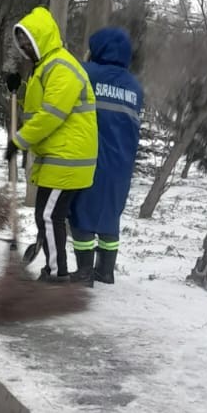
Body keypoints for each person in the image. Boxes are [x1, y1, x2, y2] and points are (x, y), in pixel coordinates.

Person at [4, 6, 97, 281]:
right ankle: (55, 269)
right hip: (56, 156)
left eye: (28, 41)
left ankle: (57, 275)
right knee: (44, 216)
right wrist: (19, 90)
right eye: (21, 42)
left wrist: (19, 140)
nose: (24, 47)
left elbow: (51, 114)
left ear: (41, 38)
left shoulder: (62, 67)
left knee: (49, 216)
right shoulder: (45, 68)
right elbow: (37, 107)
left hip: (67, 158)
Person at [69, 26, 143, 285]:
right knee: (111, 215)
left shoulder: (87, 73)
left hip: (92, 158)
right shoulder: (134, 85)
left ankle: (84, 272)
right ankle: (106, 271)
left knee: (82, 213)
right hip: (122, 163)